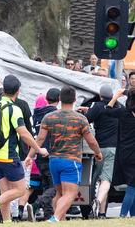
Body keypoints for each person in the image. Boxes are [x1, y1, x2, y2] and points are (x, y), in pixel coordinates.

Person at [0, 75, 48, 224]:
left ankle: (7, 222)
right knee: (20, 190)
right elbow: (23, 133)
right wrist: (38, 149)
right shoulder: (13, 109)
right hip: (7, 155)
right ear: (18, 91)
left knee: (6, 192)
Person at [27, 86, 102, 222]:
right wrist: (98, 153)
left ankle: (58, 221)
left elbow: (39, 139)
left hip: (53, 161)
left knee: (60, 193)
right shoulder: (80, 119)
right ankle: (54, 219)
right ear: (74, 100)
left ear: (60, 99)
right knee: (70, 194)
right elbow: (91, 141)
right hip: (71, 161)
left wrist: (29, 156)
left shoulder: (49, 117)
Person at [77, 85, 120, 218]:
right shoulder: (119, 107)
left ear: (100, 96)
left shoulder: (98, 106)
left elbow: (87, 120)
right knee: (106, 180)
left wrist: (85, 111)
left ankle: (100, 209)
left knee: (97, 178)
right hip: (113, 148)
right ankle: (100, 207)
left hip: (98, 149)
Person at [29, 89, 60, 220]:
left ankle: (48, 216)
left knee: (47, 186)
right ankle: (36, 204)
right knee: (56, 187)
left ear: (47, 99)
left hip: (39, 155)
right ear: (59, 99)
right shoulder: (55, 115)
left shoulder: (36, 115)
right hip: (51, 154)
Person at [104, 88, 135, 217]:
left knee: (133, 185)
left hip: (124, 153)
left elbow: (108, 110)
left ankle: (132, 215)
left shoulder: (123, 112)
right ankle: (123, 215)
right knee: (133, 186)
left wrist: (116, 96)